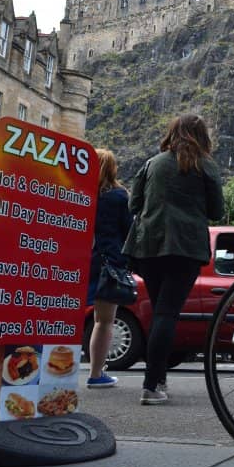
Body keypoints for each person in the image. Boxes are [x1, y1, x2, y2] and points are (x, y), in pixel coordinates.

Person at [123, 114, 224, 405]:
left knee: (159, 312)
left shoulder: (153, 163)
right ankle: (152, 384)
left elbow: (134, 204)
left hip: (149, 246)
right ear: (202, 135)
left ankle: (157, 379)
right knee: (167, 314)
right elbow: (216, 211)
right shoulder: (207, 166)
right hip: (186, 247)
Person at [86, 149, 133, 389]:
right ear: (112, 168)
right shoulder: (118, 197)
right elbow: (129, 231)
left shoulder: (81, 195)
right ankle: (96, 374)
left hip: (80, 262)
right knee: (103, 321)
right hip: (108, 264)